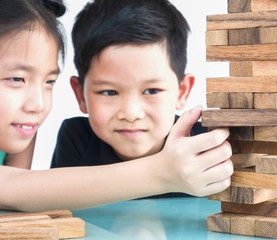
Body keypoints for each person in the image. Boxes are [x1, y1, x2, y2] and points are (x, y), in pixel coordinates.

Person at [51, 0, 233, 198]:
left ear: (182, 91)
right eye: (109, 92)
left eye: (151, 91)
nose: (130, 113)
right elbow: (56, 204)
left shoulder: (208, 145)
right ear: (81, 95)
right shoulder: (77, 138)